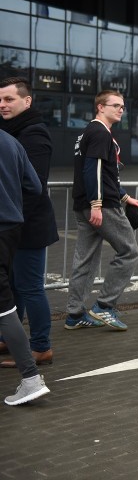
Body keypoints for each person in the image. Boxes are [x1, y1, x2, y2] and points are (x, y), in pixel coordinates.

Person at [66, 90, 138, 332]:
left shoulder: (88, 132)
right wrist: (97, 204)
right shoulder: (100, 132)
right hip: (102, 206)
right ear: (100, 107)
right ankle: (104, 306)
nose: (121, 109)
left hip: (86, 204)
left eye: (122, 106)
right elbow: (93, 170)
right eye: (115, 105)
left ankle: (74, 314)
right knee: (129, 252)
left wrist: (125, 196)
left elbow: (105, 172)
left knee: (85, 261)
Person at [0, 78, 59, 368]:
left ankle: (41, 348)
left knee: (30, 287)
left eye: (9, 99)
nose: (2, 105)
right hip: (13, 225)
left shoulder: (34, 133)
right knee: (12, 285)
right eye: (0, 100)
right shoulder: (10, 131)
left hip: (28, 226)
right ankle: (9, 339)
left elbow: (33, 186)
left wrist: (13, 222)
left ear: (27, 101)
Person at [0, 128, 50, 405]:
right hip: (10, 229)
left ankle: (31, 380)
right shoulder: (11, 142)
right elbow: (34, 185)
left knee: (4, 307)